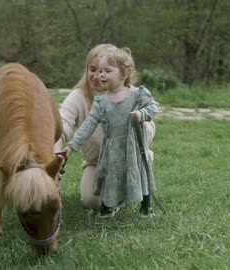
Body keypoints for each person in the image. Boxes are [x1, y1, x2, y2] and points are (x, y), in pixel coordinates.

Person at [59, 46, 158, 215]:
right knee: (92, 200)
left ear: (122, 73)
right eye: (94, 70)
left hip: (130, 154)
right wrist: (68, 147)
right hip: (102, 158)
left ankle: (143, 203)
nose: (99, 75)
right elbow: (77, 124)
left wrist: (140, 118)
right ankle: (111, 202)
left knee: (138, 177)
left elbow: (152, 111)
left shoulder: (135, 94)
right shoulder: (94, 99)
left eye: (106, 71)